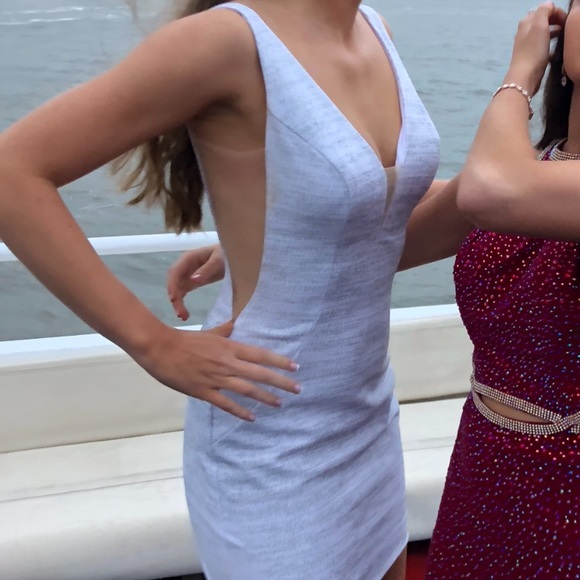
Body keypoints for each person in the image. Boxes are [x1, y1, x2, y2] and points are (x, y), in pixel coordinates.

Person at [0, 0, 477, 578]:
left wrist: (281, 239)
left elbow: (378, 230)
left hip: (368, 415)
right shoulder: (227, 42)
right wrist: (152, 343)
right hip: (265, 432)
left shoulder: (373, 29)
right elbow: (12, 172)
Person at [425, 2, 580, 578]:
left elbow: (488, 190)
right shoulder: (536, 167)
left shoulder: (506, 183)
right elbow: (396, 241)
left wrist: (520, 73)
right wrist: (252, 247)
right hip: (485, 465)